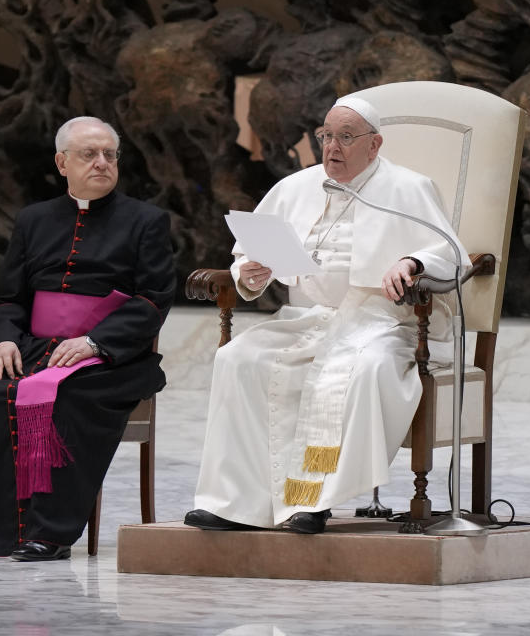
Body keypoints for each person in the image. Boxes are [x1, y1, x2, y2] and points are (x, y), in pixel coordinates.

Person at [184, 96, 468, 534]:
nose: (332, 147)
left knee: (367, 368)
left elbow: (453, 254)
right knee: (237, 359)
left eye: (345, 138)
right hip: (309, 318)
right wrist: (251, 272)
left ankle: (313, 501)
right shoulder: (295, 187)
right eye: (326, 136)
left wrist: (411, 262)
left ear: (374, 145)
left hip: (384, 321)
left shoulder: (408, 189)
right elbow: (247, 254)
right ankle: (234, 502)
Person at [0, 116, 175, 561]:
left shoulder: (146, 221)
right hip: (34, 348)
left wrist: (95, 342)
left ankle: (48, 534)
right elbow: (8, 298)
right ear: (61, 162)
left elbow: (152, 300)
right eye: (90, 154)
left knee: (68, 395)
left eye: (110, 155)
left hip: (112, 356)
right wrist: (4, 340)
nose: (102, 163)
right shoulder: (33, 220)